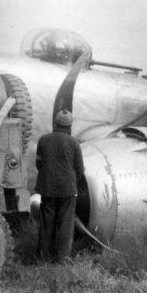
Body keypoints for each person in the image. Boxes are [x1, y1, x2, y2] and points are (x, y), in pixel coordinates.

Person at [34, 110, 85, 263]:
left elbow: (39, 164)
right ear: (69, 126)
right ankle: (62, 260)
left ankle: (43, 259)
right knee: (65, 226)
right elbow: (80, 169)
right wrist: (70, 183)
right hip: (67, 191)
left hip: (47, 189)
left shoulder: (43, 140)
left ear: (56, 124)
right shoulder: (74, 142)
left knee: (46, 224)